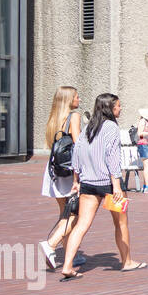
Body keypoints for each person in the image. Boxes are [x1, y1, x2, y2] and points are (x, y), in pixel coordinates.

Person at [59, 93, 146, 279]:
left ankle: (67, 265)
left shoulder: (88, 127)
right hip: (108, 183)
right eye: (118, 106)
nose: (120, 109)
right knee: (121, 223)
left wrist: (76, 180)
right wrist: (116, 185)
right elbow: (112, 157)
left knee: (81, 224)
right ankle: (127, 261)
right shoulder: (111, 127)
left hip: (88, 183)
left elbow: (77, 154)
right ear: (110, 108)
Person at [38, 86, 85, 271]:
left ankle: (69, 254)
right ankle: (51, 244)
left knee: (65, 212)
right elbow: (78, 145)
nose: (79, 100)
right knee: (77, 213)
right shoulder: (74, 117)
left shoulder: (53, 118)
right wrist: (78, 177)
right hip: (69, 172)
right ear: (69, 100)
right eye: (76, 96)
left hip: (53, 170)